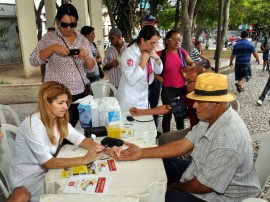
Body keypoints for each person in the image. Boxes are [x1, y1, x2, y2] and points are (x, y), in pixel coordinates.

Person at [118, 73, 261, 202]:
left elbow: (204, 185)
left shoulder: (228, 138)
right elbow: (182, 144)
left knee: (167, 198)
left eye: (200, 101)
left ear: (217, 104)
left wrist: (177, 187)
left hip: (225, 196)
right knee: (163, 164)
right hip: (205, 171)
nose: (194, 105)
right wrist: (141, 152)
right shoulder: (210, 117)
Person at [8, 81, 121, 202]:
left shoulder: (58, 120)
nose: (66, 107)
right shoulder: (32, 124)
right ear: (47, 103)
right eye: (60, 103)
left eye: (66, 102)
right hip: (27, 181)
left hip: (47, 173)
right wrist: (85, 159)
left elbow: (81, 139)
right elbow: (48, 163)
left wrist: (106, 151)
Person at [29, 3, 96, 127]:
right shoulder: (49, 38)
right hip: (56, 95)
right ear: (58, 21)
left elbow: (92, 68)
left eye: (73, 24)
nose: (69, 28)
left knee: (78, 128)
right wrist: (52, 48)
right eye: (64, 24)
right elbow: (33, 60)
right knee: (57, 130)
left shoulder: (82, 39)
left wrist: (86, 56)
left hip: (79, 93)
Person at [130, 66, 206, 145]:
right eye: (185, 80)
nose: (185, 83)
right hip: (193, 130)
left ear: (201, 81)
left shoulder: (209, 101)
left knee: (172, 146)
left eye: (189, 81)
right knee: (164, 138)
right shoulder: (189, 95)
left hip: (201, 137)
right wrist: (141, 112)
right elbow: (168, 107)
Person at [156, 29, 194, 133]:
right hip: (168, 90)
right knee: (167, 115)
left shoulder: (182, 52)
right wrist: (159, 78)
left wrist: (188, 68)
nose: (177, 42)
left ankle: (180, 137)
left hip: (182, 89)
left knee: (180, 115)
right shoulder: (160, 54)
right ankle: (166, 138)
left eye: (179, 40)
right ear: (167, 40)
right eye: (174, 39)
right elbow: (150, 69)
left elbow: (192, 64)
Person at [117, 25, 163, 111]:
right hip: (129, 99)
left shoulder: (149, 50)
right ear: (142, 40)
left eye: (156, 43)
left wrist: (156, 57)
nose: (154, 46)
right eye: (151, 43)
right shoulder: (129, 54)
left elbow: (158, 70)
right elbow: (131, 80)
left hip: (143, 97)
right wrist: (142, 63)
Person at [142, 14, 162, 128]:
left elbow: (159, 61)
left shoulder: (158, 43)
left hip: (155, 80)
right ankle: (144, 127)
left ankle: (154, 128)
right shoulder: (138, 42)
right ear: (143, 24)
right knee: (143, 105)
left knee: (154, 105)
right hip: (141, 80)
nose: (152, 26)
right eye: (150, 23)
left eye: (154, 24)